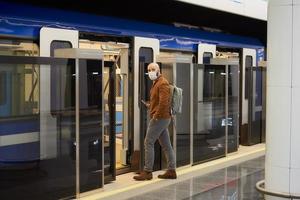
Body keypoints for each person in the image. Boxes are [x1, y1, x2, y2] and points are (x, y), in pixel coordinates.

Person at [133, 62, 177, 181]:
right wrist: (150, 105)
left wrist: (156, 116)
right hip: (163, 117)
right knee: (166, 145)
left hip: (160, 118)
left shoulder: (162, 83)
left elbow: (164, 102)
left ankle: (147, 171)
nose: (150, 71)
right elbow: (158, 101)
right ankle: (171, 170)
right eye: (149, 69)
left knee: (148, 142)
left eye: (153, 69)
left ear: (158, 70)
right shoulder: (157, 83)